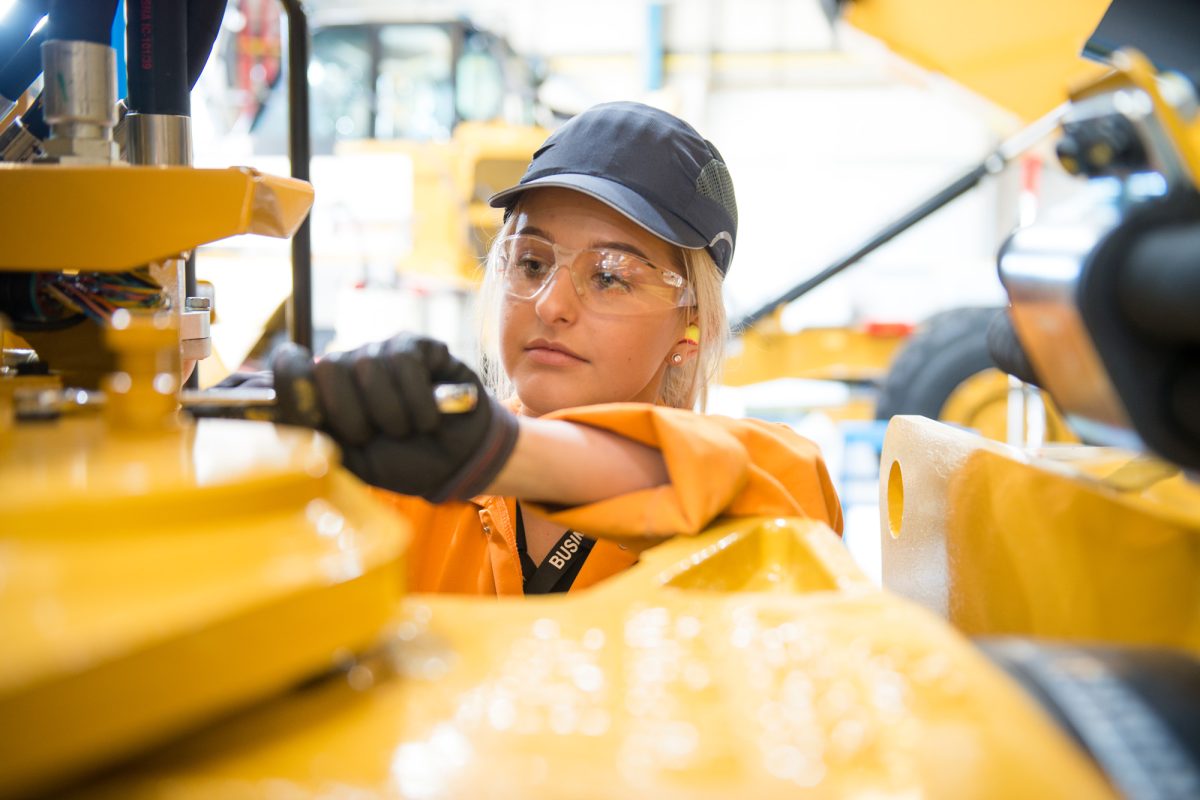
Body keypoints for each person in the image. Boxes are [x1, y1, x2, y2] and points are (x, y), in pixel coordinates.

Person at [272, 101, 843, 596]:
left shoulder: (769, 493)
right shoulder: (407, 490)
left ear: (689, 325)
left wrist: (496, 454)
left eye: (610, 275)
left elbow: (762, 478)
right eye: (532, 263)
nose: (549, 305)